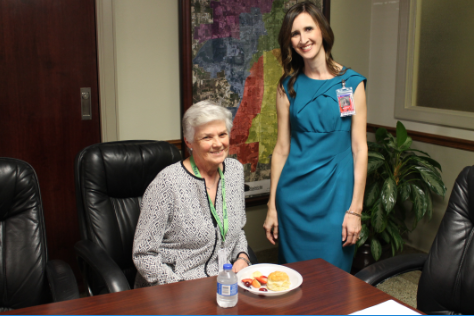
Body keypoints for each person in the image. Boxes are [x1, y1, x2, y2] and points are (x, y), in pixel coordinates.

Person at [263, 1, 368, 272]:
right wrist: (273, 206)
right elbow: (281, 150)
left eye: (308, 28)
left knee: (334, 281)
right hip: (294, 198)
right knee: (293, 282)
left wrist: (355, 210)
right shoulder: (287, 87)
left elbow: (359, 148)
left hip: (337, 195)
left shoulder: (351, 84)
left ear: (322, 30)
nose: (303, 39)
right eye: (295, 33)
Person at [133, 100, 251, 287]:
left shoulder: (235, 172)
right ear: (189, 141)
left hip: (224, 282)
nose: (218, 144)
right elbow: (143, 254)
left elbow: (238, 231)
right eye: (207, 137)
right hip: (175, 286)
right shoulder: (167, 184)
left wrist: (242, 257)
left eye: (222, 134)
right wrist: (179, 287)